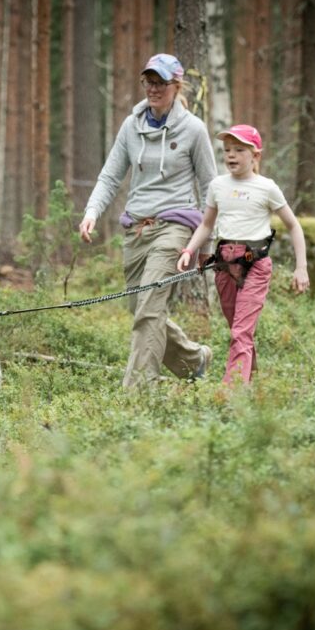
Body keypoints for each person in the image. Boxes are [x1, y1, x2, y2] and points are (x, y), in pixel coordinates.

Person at [78, 53, 217, 388]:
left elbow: (211, 188)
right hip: (137, 230)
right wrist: (91, 211)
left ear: (176, 85)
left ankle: (138, 394)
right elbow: (111, 176)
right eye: (149, 82)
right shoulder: (132, 126)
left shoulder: (194, 130)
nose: (153, 89)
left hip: (175, 227)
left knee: (150, 311)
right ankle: (193, 359)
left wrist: (205, 244)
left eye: (161, 83)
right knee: (139, 308)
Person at [177, 124, 309, 384]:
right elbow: (206, 225)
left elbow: (294, 226)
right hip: (224, 263)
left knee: (240, 331)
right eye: (227, 150)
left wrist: (301, 267)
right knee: (236, 327)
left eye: (239, 149)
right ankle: (249, 370)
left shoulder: (267, 187)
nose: (231, 155)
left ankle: (233, 391)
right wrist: (189, 250)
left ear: (255, 155)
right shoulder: (217, 186)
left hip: (255, 264)